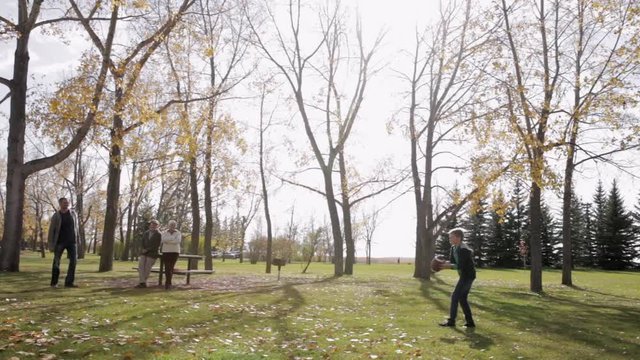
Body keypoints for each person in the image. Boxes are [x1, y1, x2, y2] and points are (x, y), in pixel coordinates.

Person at [439, 228, 476, 328]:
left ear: (459, 238)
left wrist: (448, 266)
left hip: (468, 276)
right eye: (449, 237)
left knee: (455, 296)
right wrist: (442, 264)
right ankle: (470, 323)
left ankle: (451, 322)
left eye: (452, 237)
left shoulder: (464, 250)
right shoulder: (453, 248)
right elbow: (452, 262)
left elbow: (460, 265)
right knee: (462, 299)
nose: (450, 239)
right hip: (463, 275)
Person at [48, 197, 80, 288]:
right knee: (56, 262)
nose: (66, 204)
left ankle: (69, 282)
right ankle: (54, 283)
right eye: (64, 203)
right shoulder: (56, 216)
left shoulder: (73, 214)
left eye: (67, 202)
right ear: (60, 204)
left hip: (72, 242)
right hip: (60, 242)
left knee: (73, 262)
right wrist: (51, 244)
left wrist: (78, 240)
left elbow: (76, 228)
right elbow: (51, 230)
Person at [135, 219, 162, 288]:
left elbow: (157, 245)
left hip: (153, 253)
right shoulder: (146, 233)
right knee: (141, 266)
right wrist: (143, 249)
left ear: (157, 226)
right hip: (144, 253)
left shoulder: (159, 234)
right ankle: (143, 282)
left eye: (155, 225)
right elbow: (142, 242)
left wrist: (147, 249)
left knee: (147, 267)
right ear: (150, 225)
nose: (153, 226)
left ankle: (142, 283)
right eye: (152, 224)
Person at [160, 220, 181, 290]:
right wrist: (172, 239)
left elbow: (177, 241)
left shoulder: (178, 233)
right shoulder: (164, 232)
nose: (172, 226)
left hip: (175, 252)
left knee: (171, 267)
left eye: (173, 225)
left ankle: (168, 283)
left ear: (175, 226)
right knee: (167, 267)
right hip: (166, 251)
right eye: (171, 225)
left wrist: (168, 241)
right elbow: (163, 240)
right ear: (168, 225)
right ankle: (168, 283)